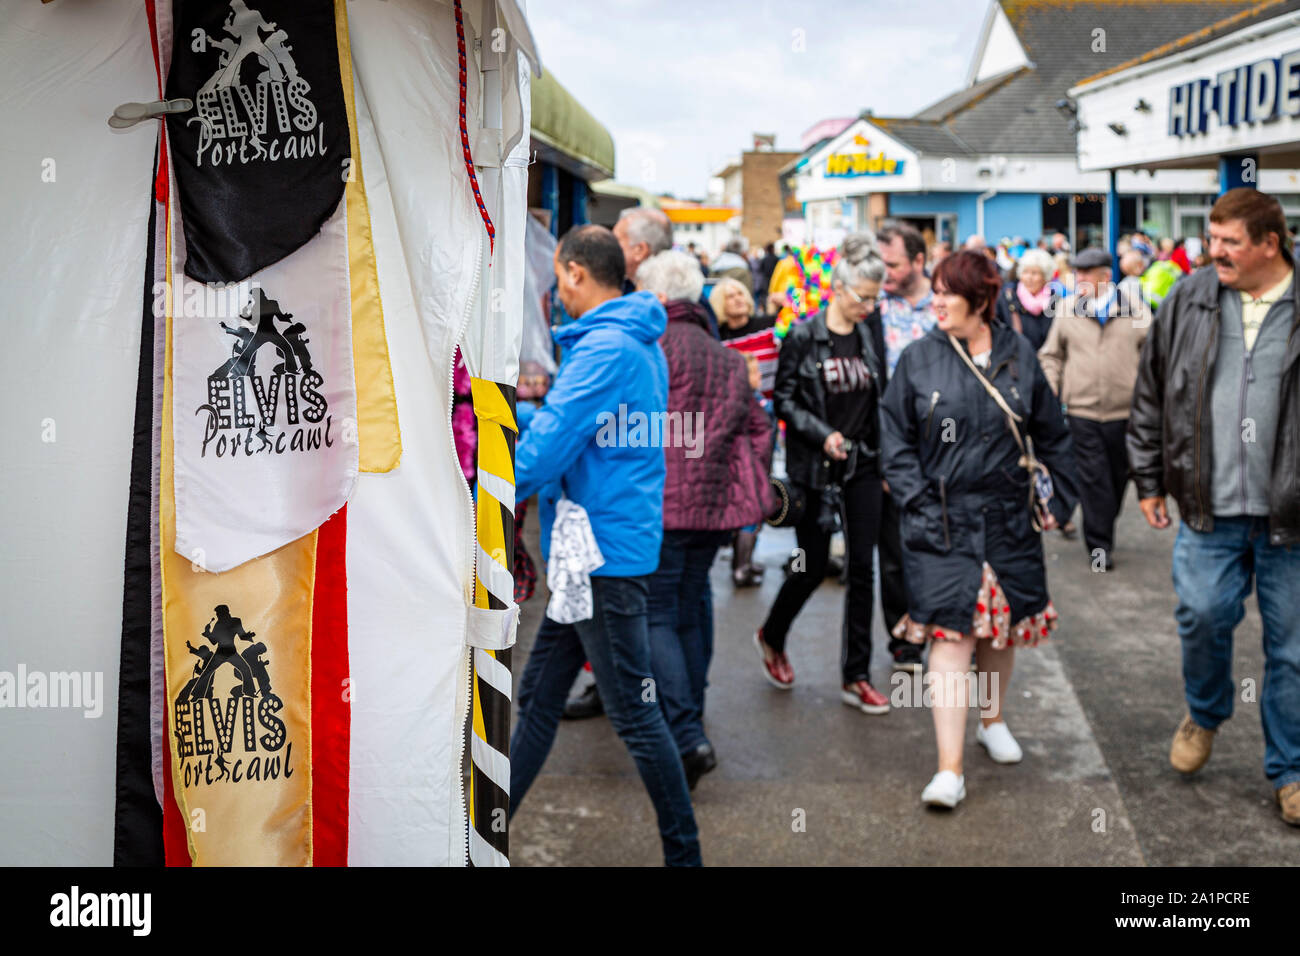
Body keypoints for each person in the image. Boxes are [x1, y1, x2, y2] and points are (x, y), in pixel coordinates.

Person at [508, 224, 701, 865]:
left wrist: (487, 470)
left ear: (573, 274)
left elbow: (545, 451)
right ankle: (482, 835)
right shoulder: (638, 342)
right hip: (595, 550)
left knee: (637, 715)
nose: (555, 290)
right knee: (537, 699)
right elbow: (585, 430)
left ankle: (684, 854)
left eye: (557, 277)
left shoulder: (604, 350)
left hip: (599, 557)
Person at [881, 250, 1079, 809]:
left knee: (999, 630)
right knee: (951, 635)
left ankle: (992, 720)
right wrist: (919, 501)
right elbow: (894, 438)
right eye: (935, 291)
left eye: (947, 292)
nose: (935, 301)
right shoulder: (919, 359)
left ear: (981, 299)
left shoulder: (1020, 357)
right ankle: (950, 770)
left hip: (1009, 518)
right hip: (939, 523)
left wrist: (1060, 501)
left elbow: (1054, 434)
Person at [1128, 188, 1300, 827]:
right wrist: (1147, 480)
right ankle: (1205, 712)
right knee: (1202, 618)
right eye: (1212, 238)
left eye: (1229, 242)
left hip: (1293, 516)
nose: (1214, 251)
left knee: (1294, 652)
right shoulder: (1191, 297)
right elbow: (1151, 391)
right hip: (1209, 506)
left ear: (1268, 245)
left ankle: (1291, 769)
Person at [636, 250, 774, 789]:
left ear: (658, 296)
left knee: (657, 614)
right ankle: (691, 709)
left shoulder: (651, 350)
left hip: (662, 506)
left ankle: (687, 733)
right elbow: (759, 430)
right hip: (714, 510)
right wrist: (742, 477)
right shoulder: (727, 358)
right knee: (692, 606)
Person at [755, 233, 890, 713]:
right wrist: (822, 433)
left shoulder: (871, 335)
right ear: (838, 288)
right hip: (816, 469)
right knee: (810, 568)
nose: (869, 307)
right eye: (862, 297)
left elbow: (882, 397)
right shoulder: (803, 335)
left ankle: (856, 676)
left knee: (861, 569)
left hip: (865, 465)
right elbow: (784, 399)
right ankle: (772, 634)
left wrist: (886, 458)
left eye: (875, 298)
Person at [1037, 247, 1149, 570]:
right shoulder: (1068, 310)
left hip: (1124, 415)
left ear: (1105, 277)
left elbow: (1155, 358)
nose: (1079, 280)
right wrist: (1052, 385)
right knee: (1094, 481)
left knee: (1115, 481)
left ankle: (1102, 524)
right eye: (1077, 274)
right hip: (1082, 412)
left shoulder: (1136, 310)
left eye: (1086, 275)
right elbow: (1051, 355)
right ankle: (1100, 548)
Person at [876, 220, 937, 673]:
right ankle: (904, 640)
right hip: (893, 441)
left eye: (893, 264)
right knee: (895, 548)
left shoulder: (946, 305)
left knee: (945, 541)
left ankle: (952, 625)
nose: (886, 272)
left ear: (919, 261)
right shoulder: (874, 307)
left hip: (945, 443)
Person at [994, 247, 1059, 351]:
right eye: (1025, 272)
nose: (1029, 277)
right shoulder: (1006, 298)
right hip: (1016, 361)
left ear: (1045, 277)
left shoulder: (1055, 301)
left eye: (1034, 273)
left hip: (1046, 362)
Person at [710, 276, 775, 341]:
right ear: (720, 303)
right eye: (731, 296)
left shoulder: (769, 325)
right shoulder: (717, 337)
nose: (738, 299)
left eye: (740, 294)